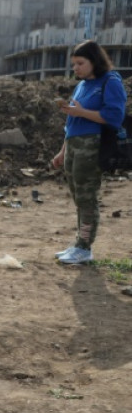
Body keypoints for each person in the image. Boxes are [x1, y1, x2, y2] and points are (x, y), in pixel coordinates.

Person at [50, 40, 127, 264]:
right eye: (74, 64)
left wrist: (82, 112)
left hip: (92, 145)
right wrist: (62, 151)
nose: (75, 69)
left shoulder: (110, 82)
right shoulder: (82, 85)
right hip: (74, 144)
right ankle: (79, 244)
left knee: (86, 197)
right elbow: (71, 122)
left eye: (80, 63)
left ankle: (84, 248)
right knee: (78, 197)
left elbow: (113, 117)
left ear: (94, 61)